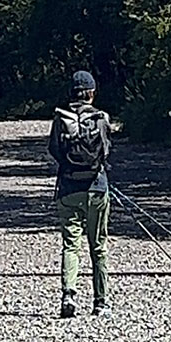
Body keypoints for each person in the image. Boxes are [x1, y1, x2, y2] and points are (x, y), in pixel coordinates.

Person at [47, 69, 111, 317]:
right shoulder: (101, 118)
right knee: (98, 247)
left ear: (71, 93)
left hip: (68, 188)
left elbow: (54, 150)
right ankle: (101, 302)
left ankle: (68, 296)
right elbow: (106, 150)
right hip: (97, 188)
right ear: (92, 94)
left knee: (71, 245)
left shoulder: (60, 118)